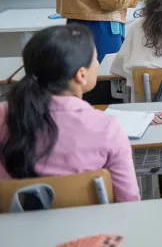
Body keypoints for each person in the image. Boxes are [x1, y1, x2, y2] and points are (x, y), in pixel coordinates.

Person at [0, 25, 139, 202]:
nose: (97, 64)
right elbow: (129, 200)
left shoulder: (4, 115)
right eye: (95, 59)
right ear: (81, 75)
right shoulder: (107, 128)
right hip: (89, 228)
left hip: (13, 228)